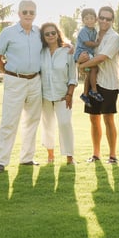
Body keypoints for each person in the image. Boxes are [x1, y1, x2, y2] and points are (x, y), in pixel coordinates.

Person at [0, 0, 43, 173]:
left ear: (35, 14)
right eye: (25, 12)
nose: (28, 15)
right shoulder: (8, 32)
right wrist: (8, 72)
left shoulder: (39, 32)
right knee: (9, 121)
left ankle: (27, 158)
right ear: (19, 13)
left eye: (31, 12)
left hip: (35, 81)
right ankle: (0, 161)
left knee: (32, 121)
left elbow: (54, 43)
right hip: (15, 80)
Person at [78, 6, 119, 164]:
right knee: (93, 119)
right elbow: (82, 48)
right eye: (102, 17)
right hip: (93, 82)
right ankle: (96, 154)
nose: (104, 21)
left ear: (112, 21)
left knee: (108, 119)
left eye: (108, 18)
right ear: (98, 18)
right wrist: (79, 58)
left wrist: (82, 66)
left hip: (109, 83)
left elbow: (101, 58)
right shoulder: (92, 33)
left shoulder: (114, 37)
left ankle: (112, 155)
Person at [39, 22, 77, 165]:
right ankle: (50, 155)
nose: (50, 36)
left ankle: (69, 156)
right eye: (47, 34)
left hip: (63, 96)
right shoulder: (40, 52)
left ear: (57, 33)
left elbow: (73, 76)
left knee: (65, 123)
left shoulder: (67, 51)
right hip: (45, 96)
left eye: (53, 33)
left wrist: (69, 94)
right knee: (47, 125)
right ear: (43, 36)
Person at [74, 8, 102, 107]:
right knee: (94, 68)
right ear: (83, 20)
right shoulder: (83, 31)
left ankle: (85, 94)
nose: (89, 20)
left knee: (90, 72)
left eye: (91, 18)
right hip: (83, 53)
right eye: (86, 18)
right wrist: (97, 43)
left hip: (88, 53)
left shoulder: (94, 31)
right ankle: (93, 90)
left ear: (96, 19)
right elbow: (87, 43)